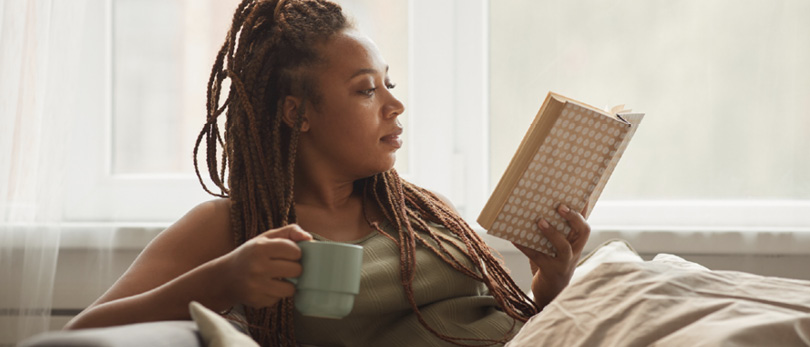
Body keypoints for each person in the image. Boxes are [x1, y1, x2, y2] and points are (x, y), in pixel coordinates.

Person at [65, 0, 591, 345]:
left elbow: (505, 319)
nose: (395, 105)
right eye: (367, 89)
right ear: (298, 114)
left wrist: (551, 284)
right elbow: (79, 335)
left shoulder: (425, 210)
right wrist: (221, 280)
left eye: (390, 83)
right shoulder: (233, 226)